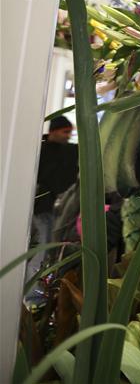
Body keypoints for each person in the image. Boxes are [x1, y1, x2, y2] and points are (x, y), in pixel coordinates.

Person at [29, 116, 79, 277]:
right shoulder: (39, 151)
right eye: (65, 131)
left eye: (70, 132)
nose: (68, 135)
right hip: (41, 210)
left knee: (45, 250)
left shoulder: (69, 151)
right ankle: (31, 296)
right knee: (41, 251)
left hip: (52, 210)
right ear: (53, 131)